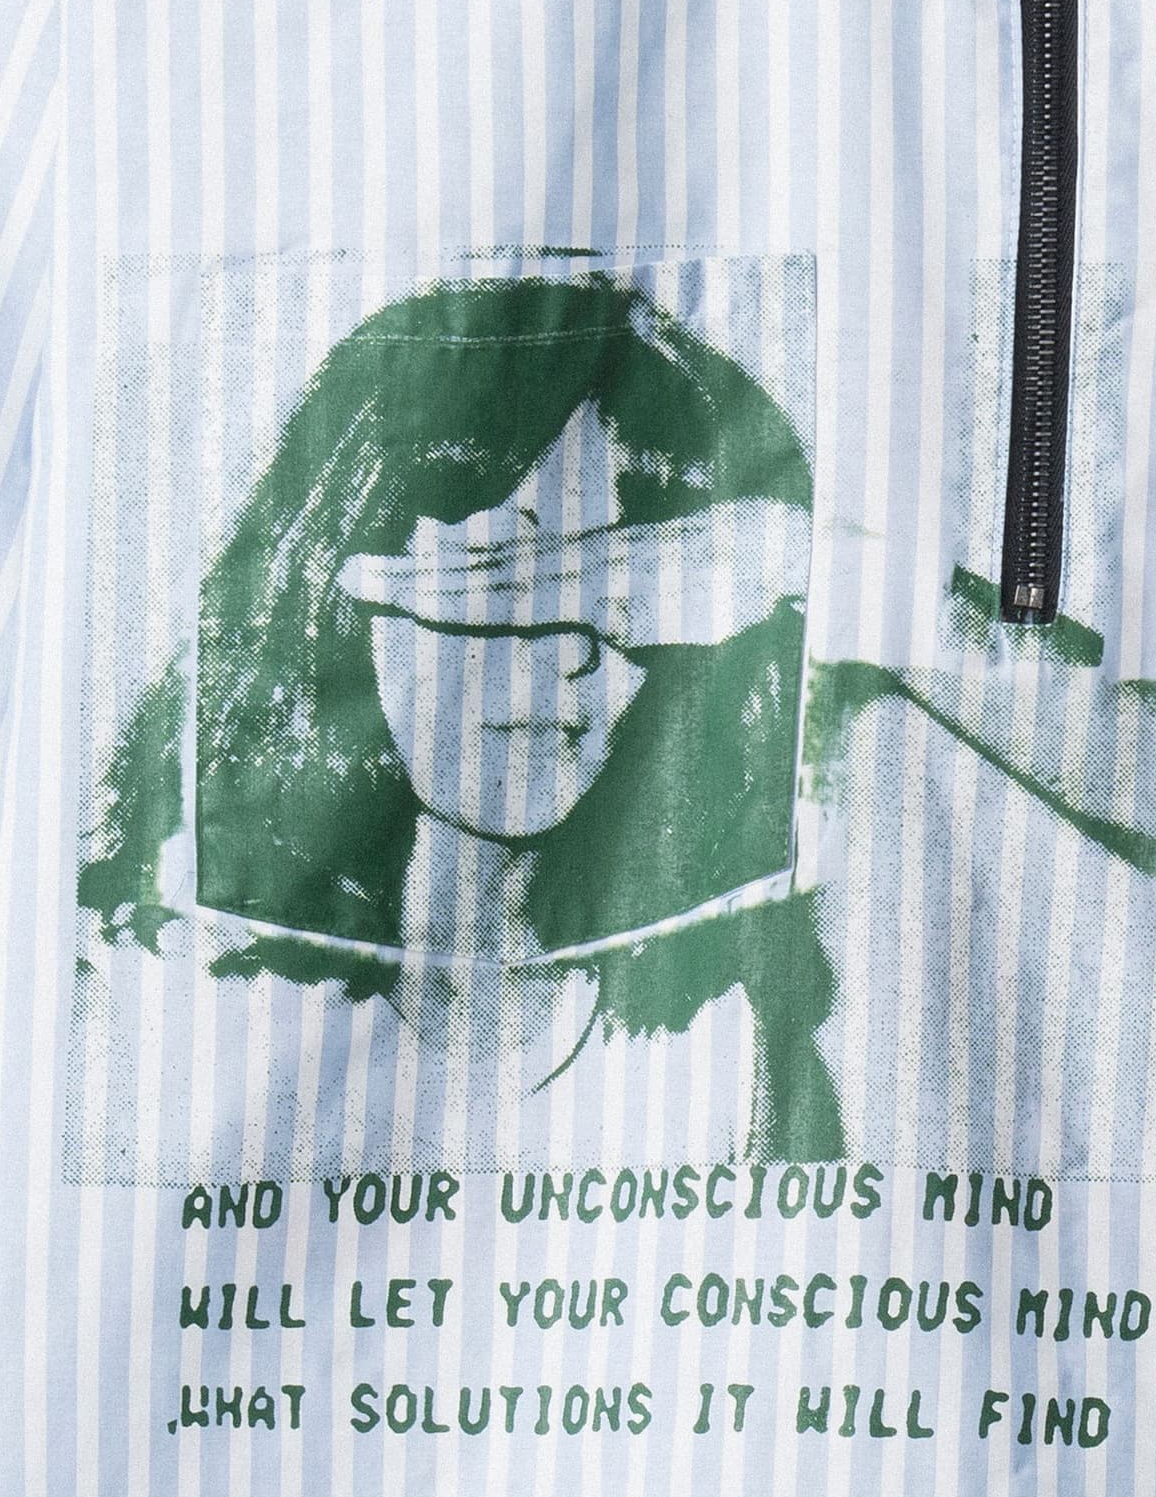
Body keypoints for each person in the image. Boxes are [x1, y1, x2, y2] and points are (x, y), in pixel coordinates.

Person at [80, 267, 840, 1139]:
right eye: (509, 577)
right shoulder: (149, 996)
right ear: (350, 586)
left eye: (635, 597)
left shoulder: (718, 1039)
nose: (576, 652)